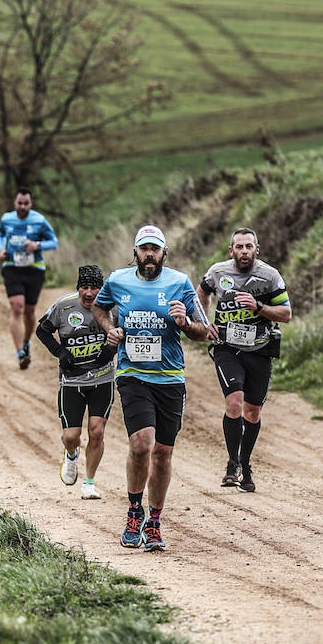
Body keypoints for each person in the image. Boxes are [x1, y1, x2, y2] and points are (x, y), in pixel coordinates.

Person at [93, 224, 209, 552]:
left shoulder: (180, 283)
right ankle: (134, 511)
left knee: (163, 453)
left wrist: (184, 322)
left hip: (170, 377)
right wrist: (110, 329)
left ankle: (154, 520)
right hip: (132, 373)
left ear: (164, 253)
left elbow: (204, 331)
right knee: (141, 443)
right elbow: (99, 307)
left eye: (154, 249)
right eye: (144, 249)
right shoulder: (118, 280)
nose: (149, 255)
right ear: (135, 252)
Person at [196, 226, 292, 492]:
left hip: (260, 350)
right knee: (234, 402)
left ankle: (245, 463)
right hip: (227, 348)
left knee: (252, 411)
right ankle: (231, 463)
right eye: (239, 246)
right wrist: (205, 324)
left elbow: (286, 314)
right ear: (231, 250)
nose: (244, 251)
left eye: (249, 246)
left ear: (256, 250)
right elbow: (200, 293)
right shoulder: (218, 272)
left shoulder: (269, 276)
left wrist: (258, 307)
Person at [36, 264, 117, 499]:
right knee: (71, 436)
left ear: (102, 289)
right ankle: (71, 455)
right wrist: (60, 353)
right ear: (78, 288)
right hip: (71, 382)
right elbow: (42, 331)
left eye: (94, 288)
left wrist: (110, 350)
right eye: (84, 287)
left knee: (97, 432)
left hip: (102, 379)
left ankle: (89, 483)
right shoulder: (64, 306)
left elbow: (124, 331)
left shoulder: (112, 308)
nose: (89, 293)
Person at [0, 187, 58, 370]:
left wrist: (37, 244)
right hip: (12, 267)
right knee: (17, 307)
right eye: (19, 203)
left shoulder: (39, 220)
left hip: (34, 269)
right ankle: (20, 352)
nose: (22, 206)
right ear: (15, 203)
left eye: (26, 203)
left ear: (31, 204)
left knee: (29, 312)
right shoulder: (7, 219)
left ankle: (26, 342)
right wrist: (1, 248)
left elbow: (53, 241)